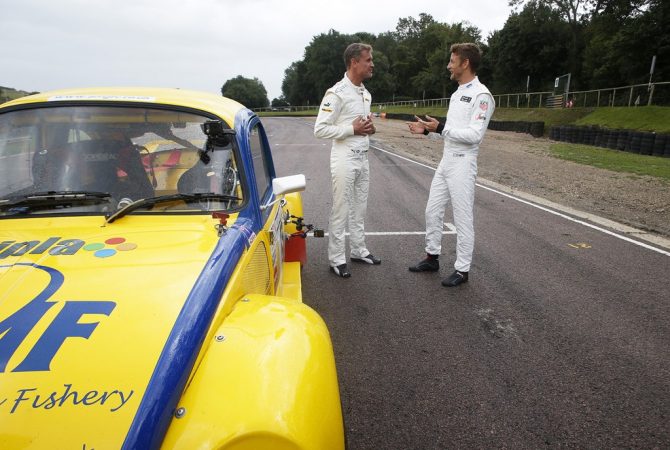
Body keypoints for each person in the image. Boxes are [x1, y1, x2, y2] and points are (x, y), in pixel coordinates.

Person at [406, 43, 495, 287]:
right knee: (431, 211)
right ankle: (432, 257)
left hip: (463, 165)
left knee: (463, 218)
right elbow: (449, 135)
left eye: (452, 61)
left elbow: (475, 135)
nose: (448, 65)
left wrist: (442, 128)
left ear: (465, 63)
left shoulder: (482, 96)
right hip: (446, 161)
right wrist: (426, 132)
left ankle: (462, 270)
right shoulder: (457, 93)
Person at [314, 42, 380, 278]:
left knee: (360, 208)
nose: (372, 64)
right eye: (368, 60)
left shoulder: (365, 93)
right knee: (342, 208)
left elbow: (361, 126)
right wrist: (351, 129)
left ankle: (359, 249)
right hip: (344, 158)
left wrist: (368, 129)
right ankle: (337, 258)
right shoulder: (336, 93)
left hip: (363, 158)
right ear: (354, 62)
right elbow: (320, 129)